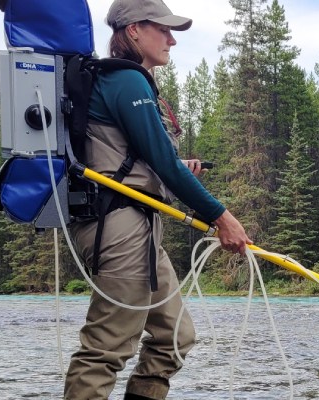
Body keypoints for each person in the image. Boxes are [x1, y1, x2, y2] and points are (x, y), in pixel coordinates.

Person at [64, 0, 253, 399]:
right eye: (162, 30)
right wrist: (221, 217)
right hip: (118, 228)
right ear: (134, 31)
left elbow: (144, 156)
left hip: (141, 226)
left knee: (173, 338)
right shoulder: (125, 81)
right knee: (106, 348)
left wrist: (172, 166)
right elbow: (162, 159)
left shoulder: (127, 82)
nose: (171, 40)